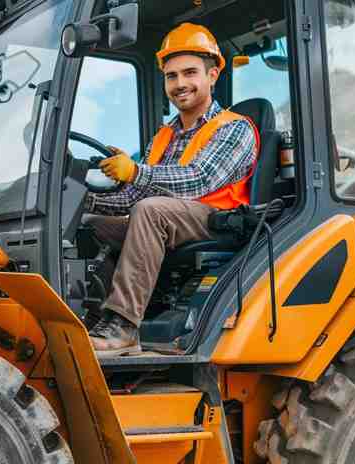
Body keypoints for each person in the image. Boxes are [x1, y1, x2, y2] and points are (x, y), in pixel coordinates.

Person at [85, 23, 258, 356]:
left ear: (212, 75)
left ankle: (124, 325)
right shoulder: (164, 136)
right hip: (169, 217)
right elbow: (132, 196)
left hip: (218, 219)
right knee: (94, 224)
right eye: (171, 76)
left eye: (189, 73)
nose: (180, 84)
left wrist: (136, 170)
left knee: (152, 211)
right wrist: (82, 200)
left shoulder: (234, 129)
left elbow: (199, 179)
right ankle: (96, 317)